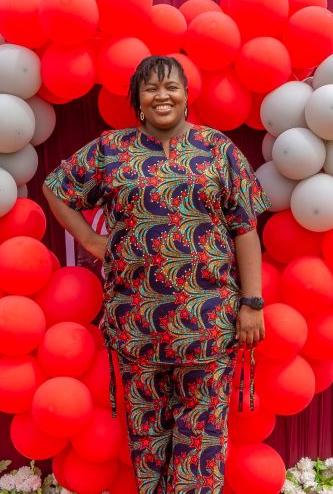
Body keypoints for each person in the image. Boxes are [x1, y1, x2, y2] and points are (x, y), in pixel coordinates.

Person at [43, 55, 270, 494]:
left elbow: (245, 227)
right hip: (137, 323)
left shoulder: (218, 149)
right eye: (151, 88)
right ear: (138, 98)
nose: (161, 96)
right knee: (148, 437)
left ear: (186, 95)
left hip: (208, 322)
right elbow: (56, 188)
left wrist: (252, 302)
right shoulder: (111, 150)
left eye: (171, 87)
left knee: (202, 439)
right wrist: (90, 240)